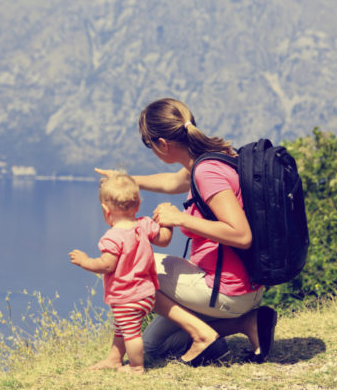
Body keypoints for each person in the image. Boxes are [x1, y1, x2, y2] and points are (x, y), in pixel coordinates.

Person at [95, 97, 277, 366]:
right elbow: (171, 182)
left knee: (122, 263)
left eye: (150, 146)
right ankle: (247, 323)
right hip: (238, 287)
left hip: (225, 289)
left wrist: (180, 219)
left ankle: (201, 333)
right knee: (154, 346)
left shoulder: (207, 172)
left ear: (162, 144)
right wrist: (125, 181)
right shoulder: (213, 159)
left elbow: (241, 235)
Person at [69, 172, 173, 374]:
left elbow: (106, 265)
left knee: (132, 334)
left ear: (105, 210)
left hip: (127, 296)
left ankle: (136, 367)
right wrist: (168, 222)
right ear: (138, 205)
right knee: (122, 327)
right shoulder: (144, 224)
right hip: (146, 293)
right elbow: (164, 239)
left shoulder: (113, 237)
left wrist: (85, 261)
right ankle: (114, 359)